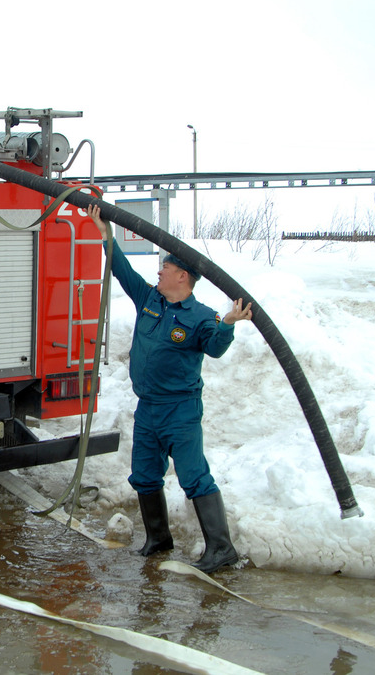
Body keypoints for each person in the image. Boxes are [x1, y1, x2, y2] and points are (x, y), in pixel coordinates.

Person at [87, 205, 252, 574]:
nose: (158, 272)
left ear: (182, 276)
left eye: (164, 268)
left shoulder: (201, 316)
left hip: (180, 409)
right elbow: (122, 269)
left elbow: (216, 348)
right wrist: (105, 233)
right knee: (144, 474)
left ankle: (221, 549)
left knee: (194, 476)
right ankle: (158, 539)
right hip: (148, 408)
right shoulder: (150, 300)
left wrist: (227, 323)